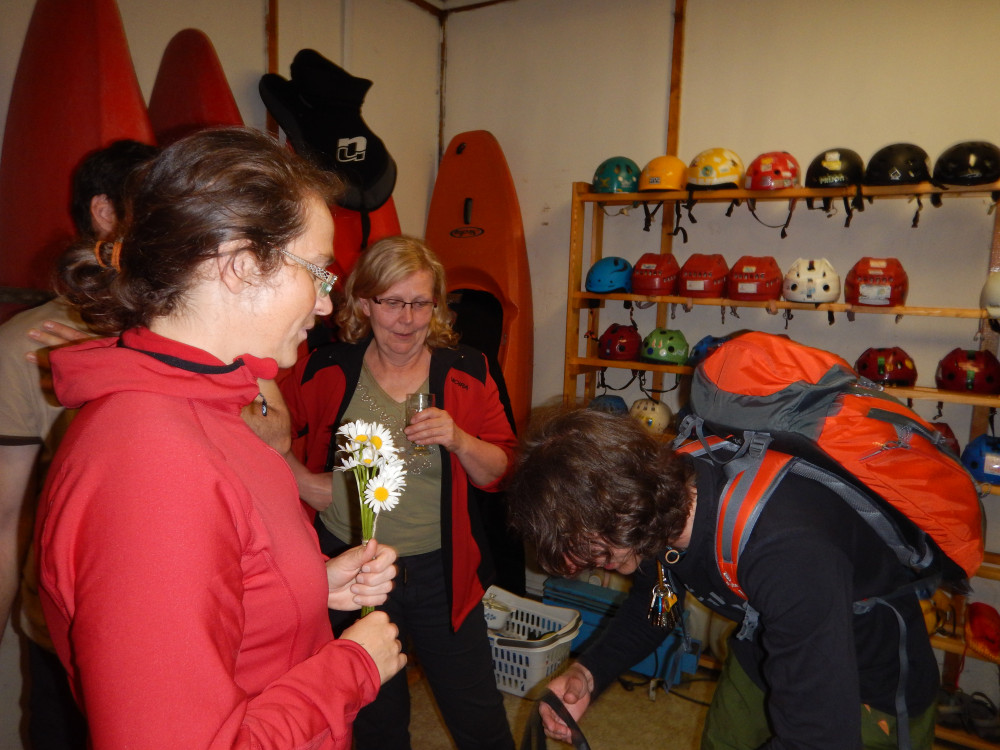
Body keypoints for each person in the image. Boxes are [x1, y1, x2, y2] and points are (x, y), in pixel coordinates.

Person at [34, 127, 406, 749]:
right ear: (240, 265)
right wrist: (352, 668)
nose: (325, 304)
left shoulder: (211, 409)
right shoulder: (151, 462)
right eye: (318, 272)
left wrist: (310, 583)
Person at [505, 408, 939, 750]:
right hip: (761, 650)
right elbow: (657, 604)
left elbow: (820, 737)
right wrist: (589, 673)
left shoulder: (787, 550)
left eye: (586, 549)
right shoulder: (655, 503)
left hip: (866, 683)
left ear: (616, 509)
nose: (584, 563)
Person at [280, 234, 518, 750]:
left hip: (443, 574)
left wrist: (460, 439)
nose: (407, 320)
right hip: (352, 572)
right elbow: (261, 426)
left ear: (437, 305)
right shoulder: (325, 368)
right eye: (391, 303)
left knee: (480, 720)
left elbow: (500, 471)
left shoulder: (468, 370)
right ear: (364, 303)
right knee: (374, 725)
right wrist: (304, 482)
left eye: (420, 303)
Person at [0, 139, 156, 749]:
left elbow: (271, 431)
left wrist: (126, 364)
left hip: (172, 621)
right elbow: (7, 518)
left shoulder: (189, 333)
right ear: (105, 213)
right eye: (153, 204)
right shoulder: (26, 347)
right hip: (68, 629)